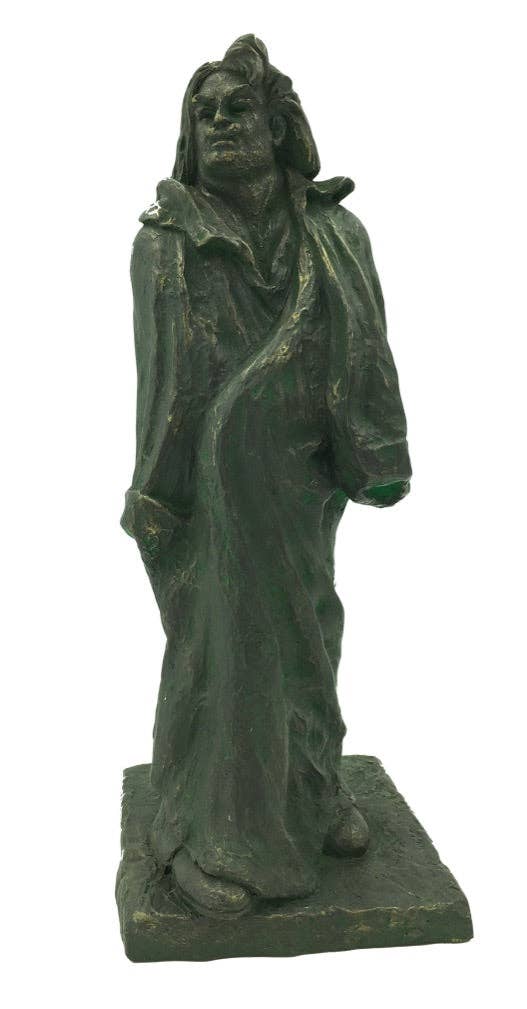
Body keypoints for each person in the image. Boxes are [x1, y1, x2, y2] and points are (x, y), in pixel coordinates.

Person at [122, 34, 411, 918]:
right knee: (227, 647)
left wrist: (376, 453)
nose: (218, 123)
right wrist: (155, 505)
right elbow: (165, 386)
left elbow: (364, 344)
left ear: (279, 126)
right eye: (202, 113)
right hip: (210, 490)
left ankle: (311, 789)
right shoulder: (167, 244)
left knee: (308, 631)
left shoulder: (334, 232)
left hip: (304, 476)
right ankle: (211, 835)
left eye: (236, 108)